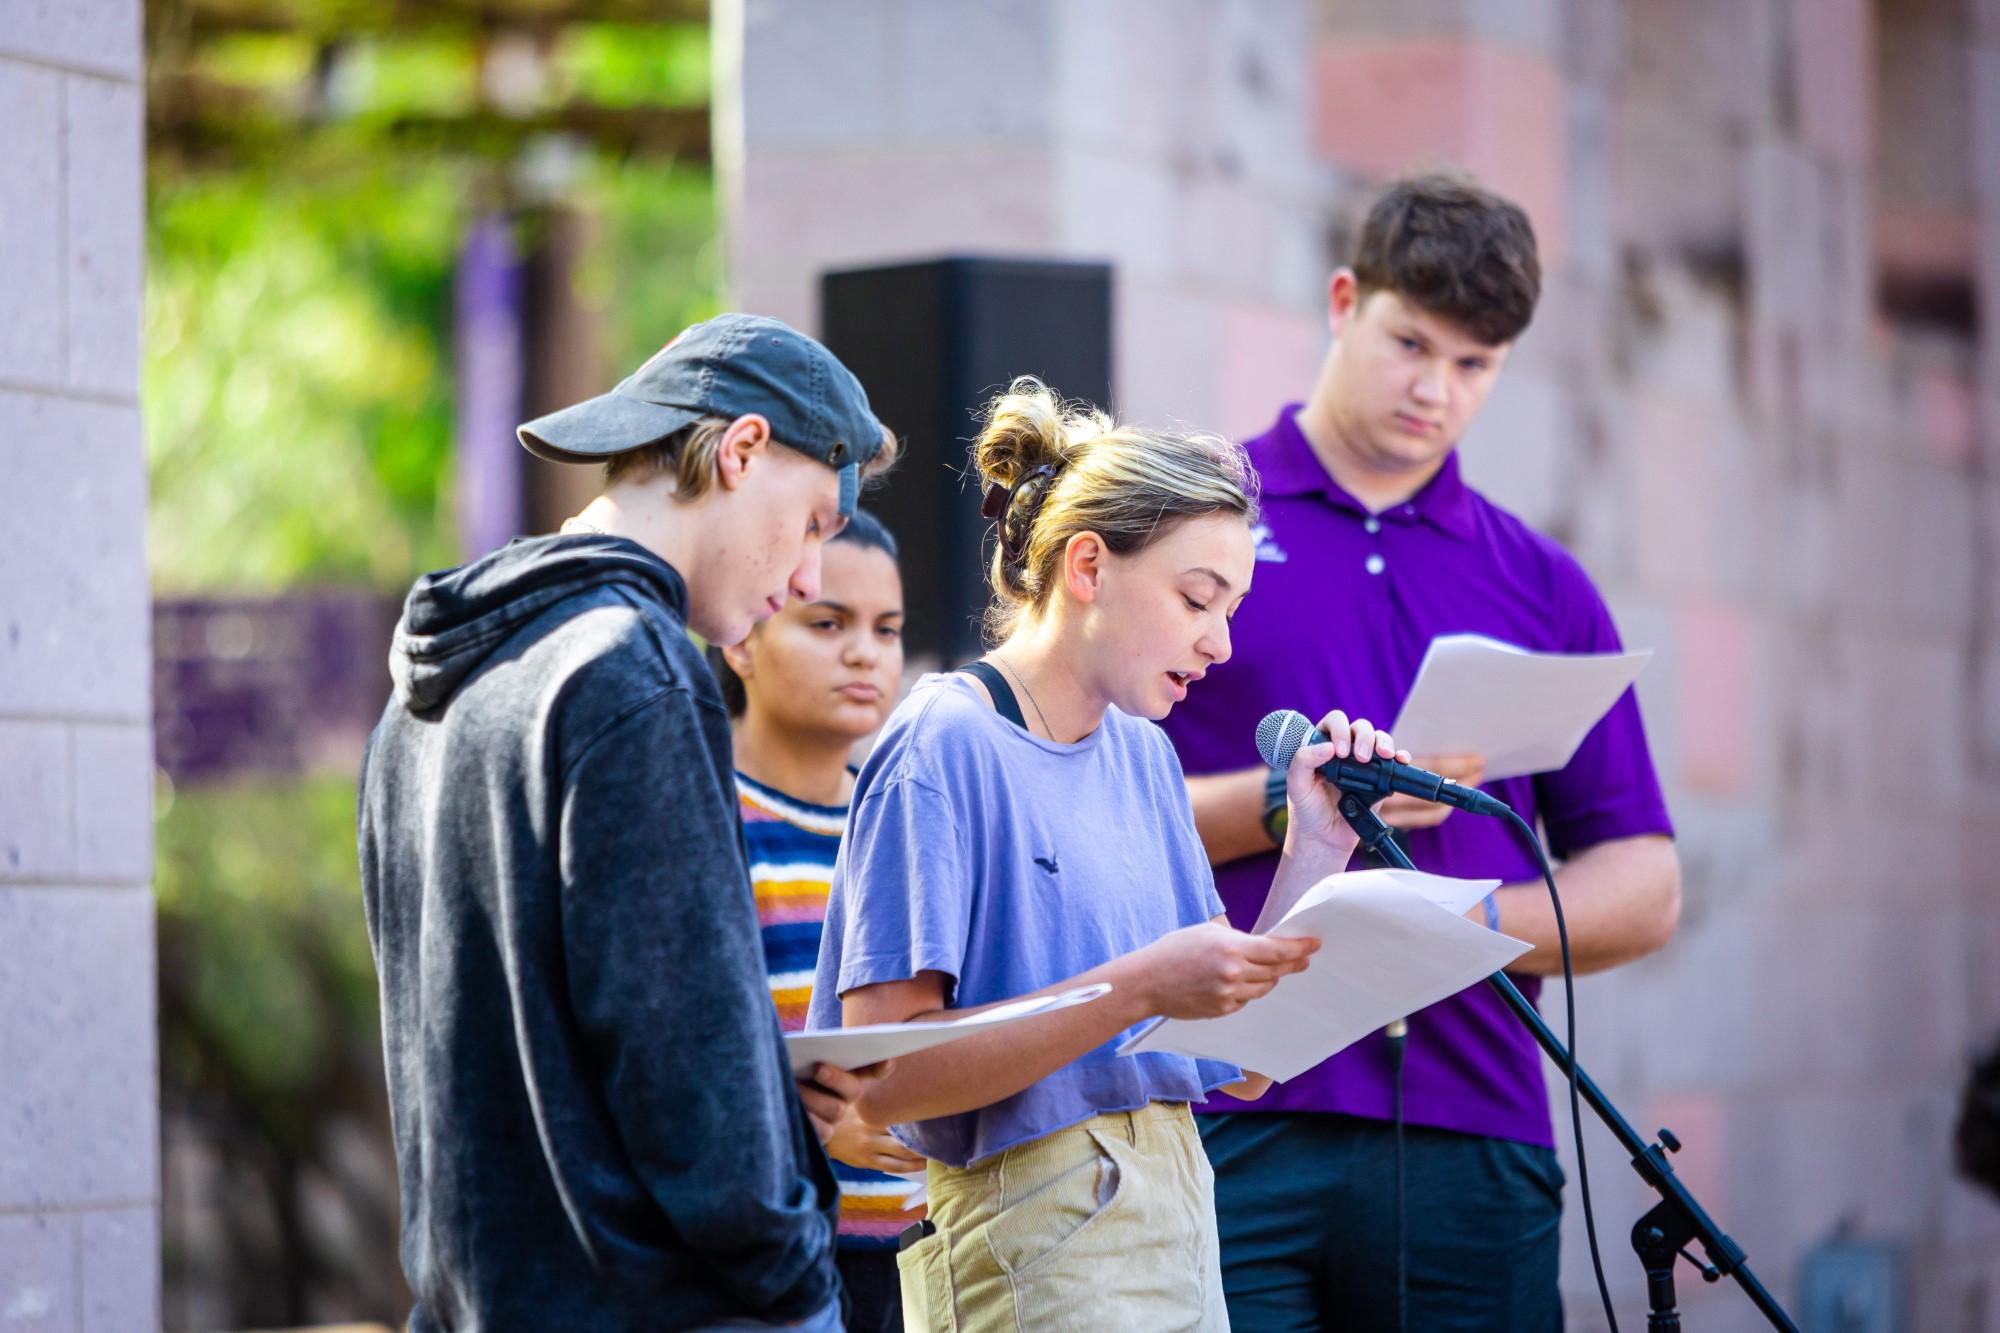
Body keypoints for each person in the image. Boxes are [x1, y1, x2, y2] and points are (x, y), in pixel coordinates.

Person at [1159, 172, 1684, 1330]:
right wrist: (1296, 810)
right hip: (1220, 1106)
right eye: (1409, 342)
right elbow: (1078, 803)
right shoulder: (1191, 529)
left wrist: (1449, 930)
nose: (1432, 390)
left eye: (1471, 364)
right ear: (1342, 301)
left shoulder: (1540, 583)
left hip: (1470, 1124)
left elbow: (1642, 888)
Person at [808, 376, 1410, 1332]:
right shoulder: (943, 745)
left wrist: (1316, 849)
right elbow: (887, 1081)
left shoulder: (1143, 755)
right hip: (1029, 1246)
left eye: (1232, 608)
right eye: (1197, 598)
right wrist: (1135, 989)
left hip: (1176, 1224)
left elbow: (1238, 1064)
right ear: (1087, 565)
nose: (1218, 644)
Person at [358, 314, 895, 1331]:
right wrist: (798, 1280)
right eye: (819, 520)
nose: (812, 577)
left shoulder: (425, 690)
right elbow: (684, 1065)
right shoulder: (635, 672)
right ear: (740, 450)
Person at [710, 507, 922, 1333]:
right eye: (827, 622)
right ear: (740, 639)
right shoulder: (704, 809)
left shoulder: (908, 810)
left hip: (917, 1251)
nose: (865, 651)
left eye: (888, 627)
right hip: (777, 1258)